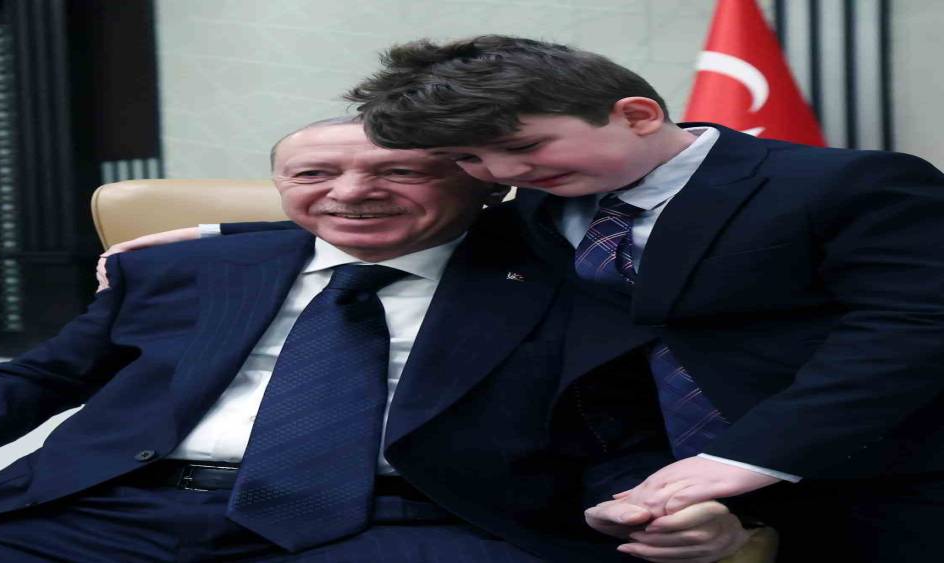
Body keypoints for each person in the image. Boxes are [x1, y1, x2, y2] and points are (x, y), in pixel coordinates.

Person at [143, 35, 944, 561]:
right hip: (628, 469)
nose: (498, 173)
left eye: (519, 146)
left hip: (867, 469)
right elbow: (414, 220)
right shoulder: (537, 199)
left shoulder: (846, 184)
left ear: (636, 114)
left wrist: (745, 458)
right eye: (470, 158)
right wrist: (218, 233)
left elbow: (911, 330)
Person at [0, 118, 752, 562]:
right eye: (314, 174)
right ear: (281, 188)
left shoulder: (568, 283)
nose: (353, 192)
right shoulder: (182, 270)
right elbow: (31, 382)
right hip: (109, 509)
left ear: (483, 186)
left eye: (400, 171)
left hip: (408, 523)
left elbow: (614, 431)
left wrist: (673, 507)